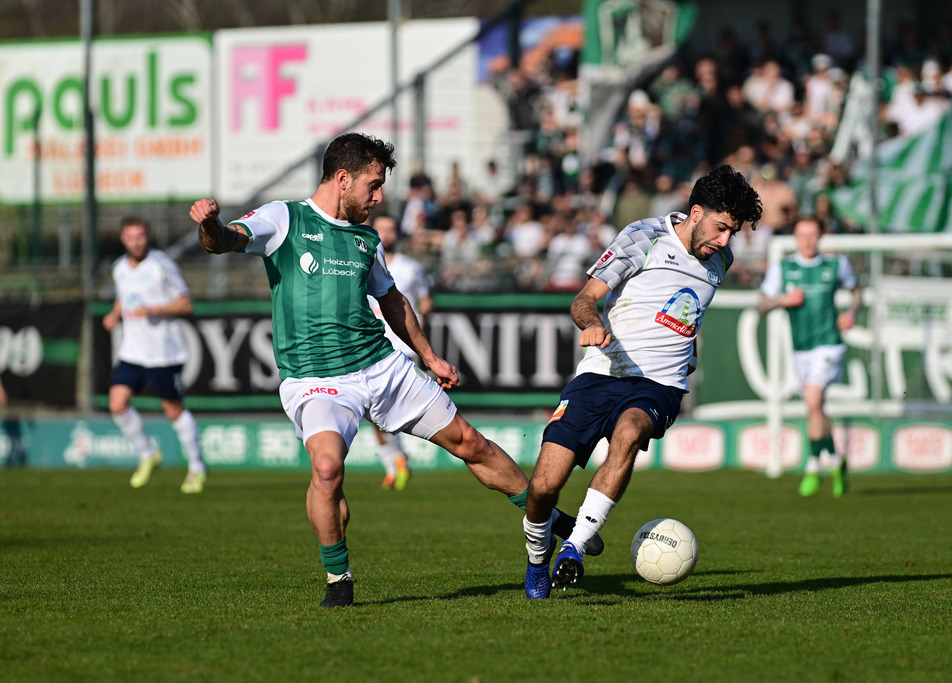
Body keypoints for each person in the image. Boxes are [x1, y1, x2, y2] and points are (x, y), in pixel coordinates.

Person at [189, 132, 599, 609]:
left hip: (381, 366)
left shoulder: (366, 239)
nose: (380, 196)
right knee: (326, 468)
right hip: (317, 380)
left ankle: (546, 517)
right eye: (374, 184)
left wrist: (430, 357)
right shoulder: (287, 218)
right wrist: (211, 225)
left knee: (471, 443)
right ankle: (338, 577)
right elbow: (224, 242)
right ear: (342, 179)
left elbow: (392, 299)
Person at [523, 165, 762, 599]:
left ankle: (574, 548)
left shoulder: (720, 260)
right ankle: (538, 556)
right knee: (543, 486)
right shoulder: (644, 236)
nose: (725, 241)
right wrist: (592, 324)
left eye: (734, 233)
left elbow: (687, 312)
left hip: (660, 386)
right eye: (721, 228)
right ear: (695, 212)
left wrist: (688, 353)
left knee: (630, 432)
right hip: (603, 371)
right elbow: (585, 298)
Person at [757, 215, 861, 498]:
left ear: (820, 236)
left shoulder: (835, 264)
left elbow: (856, 291)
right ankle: (835, 459)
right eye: (802, 235)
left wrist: (852, 313)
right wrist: (783, 300)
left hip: (829, 344)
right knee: (816, 408)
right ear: (795, 237)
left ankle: (813, 467)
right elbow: (761, 304)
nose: (807, 240)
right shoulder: (784, 267)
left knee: (814, 401)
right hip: (800, 348)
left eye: (813, 234)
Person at [102, 217, 207, 494]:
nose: (136, 242)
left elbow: (186, 304)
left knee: (173, 410)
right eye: (131, 237)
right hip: (132, 351)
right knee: (117, 404)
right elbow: (123, 297)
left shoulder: (162, 265)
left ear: (148, 236)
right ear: (123, 239)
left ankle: (196, 467)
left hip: (163, 353)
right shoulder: (119, 268)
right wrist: (114, 315)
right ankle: (148, 453)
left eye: (141, 236)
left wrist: (154, 310)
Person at [366, 213, 432, 491]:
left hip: (403, 345)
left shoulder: (411, 268)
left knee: (386, 406)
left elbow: (426, 301)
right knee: (374, 410)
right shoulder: (362, 263)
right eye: (381, 229)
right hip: (373, 344)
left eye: (391, 230)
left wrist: (416, 320)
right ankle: (395, 462)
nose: (386, 235)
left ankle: (397, 459)